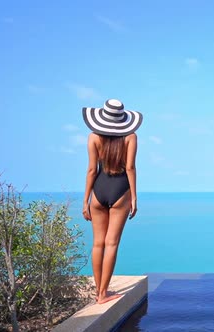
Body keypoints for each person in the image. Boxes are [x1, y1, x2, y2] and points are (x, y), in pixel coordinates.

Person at [81, 99, 143, 304]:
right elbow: (130, 168)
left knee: (97, 243)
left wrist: (86, 201)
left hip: (98, 190)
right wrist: (133, 197)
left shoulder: (93, 137)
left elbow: (91, 170)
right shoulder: (131, 137)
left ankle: (99, 290)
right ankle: (102, 294)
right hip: (121, 189)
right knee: (112, 243)